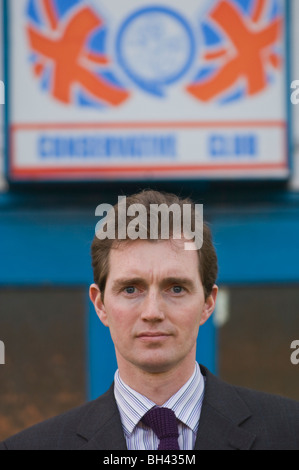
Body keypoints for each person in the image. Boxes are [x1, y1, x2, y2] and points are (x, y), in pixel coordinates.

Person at [1, 189, 299, 450]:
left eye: (176, 288)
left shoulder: (290, 433)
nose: (153, 312)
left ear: (208, 303)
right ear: (100, 304)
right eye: (131, 289)